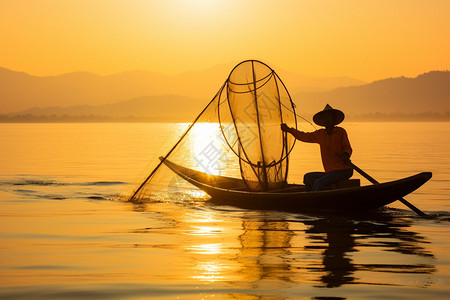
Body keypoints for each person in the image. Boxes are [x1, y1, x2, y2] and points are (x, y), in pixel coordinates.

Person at [281, 104, 353, 191]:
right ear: (323, 121)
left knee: (319, 182)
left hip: (344, 171)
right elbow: (304, 136)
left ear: (333, 119)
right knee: (307, 177)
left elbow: (347, 148)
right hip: (330, 172)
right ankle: (330, 188)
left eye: (329, 117)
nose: (327, 120)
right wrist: (289, 130)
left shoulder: (340, 132)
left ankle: (312, 199)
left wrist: (345, 155)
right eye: (325, 118)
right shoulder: (320, 134)